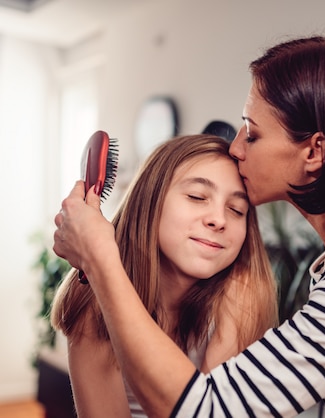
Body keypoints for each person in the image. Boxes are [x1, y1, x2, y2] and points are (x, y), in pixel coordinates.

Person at [53, 35, 325, 417]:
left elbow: (205, 411)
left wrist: (99, 256)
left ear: (315, 152)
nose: (236, 148)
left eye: (252, 132)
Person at [50, 134, 278, 417]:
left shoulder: (242, 291)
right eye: (197, 197)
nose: (219, 219)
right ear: (149, 201)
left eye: (236, 210)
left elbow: (206, 412)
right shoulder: (90, 298)